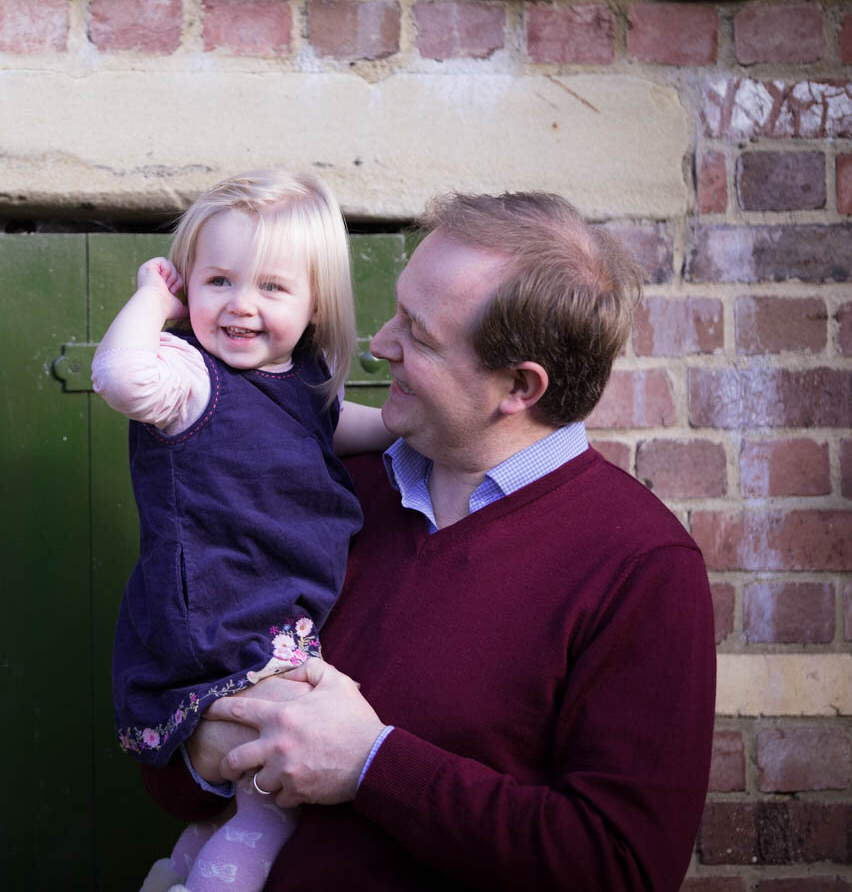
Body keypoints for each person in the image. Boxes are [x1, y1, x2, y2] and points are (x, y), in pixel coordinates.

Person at [140, 192, 717, 891]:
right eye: (396, 311)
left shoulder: (641, 569)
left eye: (418, 333)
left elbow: (620, 866)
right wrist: (203, 752)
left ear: (518, 386)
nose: (381, 343)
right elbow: (170, 758)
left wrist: (372, 765)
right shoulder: (325, 485)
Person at [92, 171, 393, 892]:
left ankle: (184, 867)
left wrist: (391, 430)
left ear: (316, 302)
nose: (241, 307)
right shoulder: (189, 378)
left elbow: (326, 426)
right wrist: (150, 299)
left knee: (246, 786)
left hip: (272, 621)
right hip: (214, 625)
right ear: (188, 284)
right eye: (219, 281)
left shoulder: (303, 376)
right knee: (287, 764)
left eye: (272, 288)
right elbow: (118, 376)